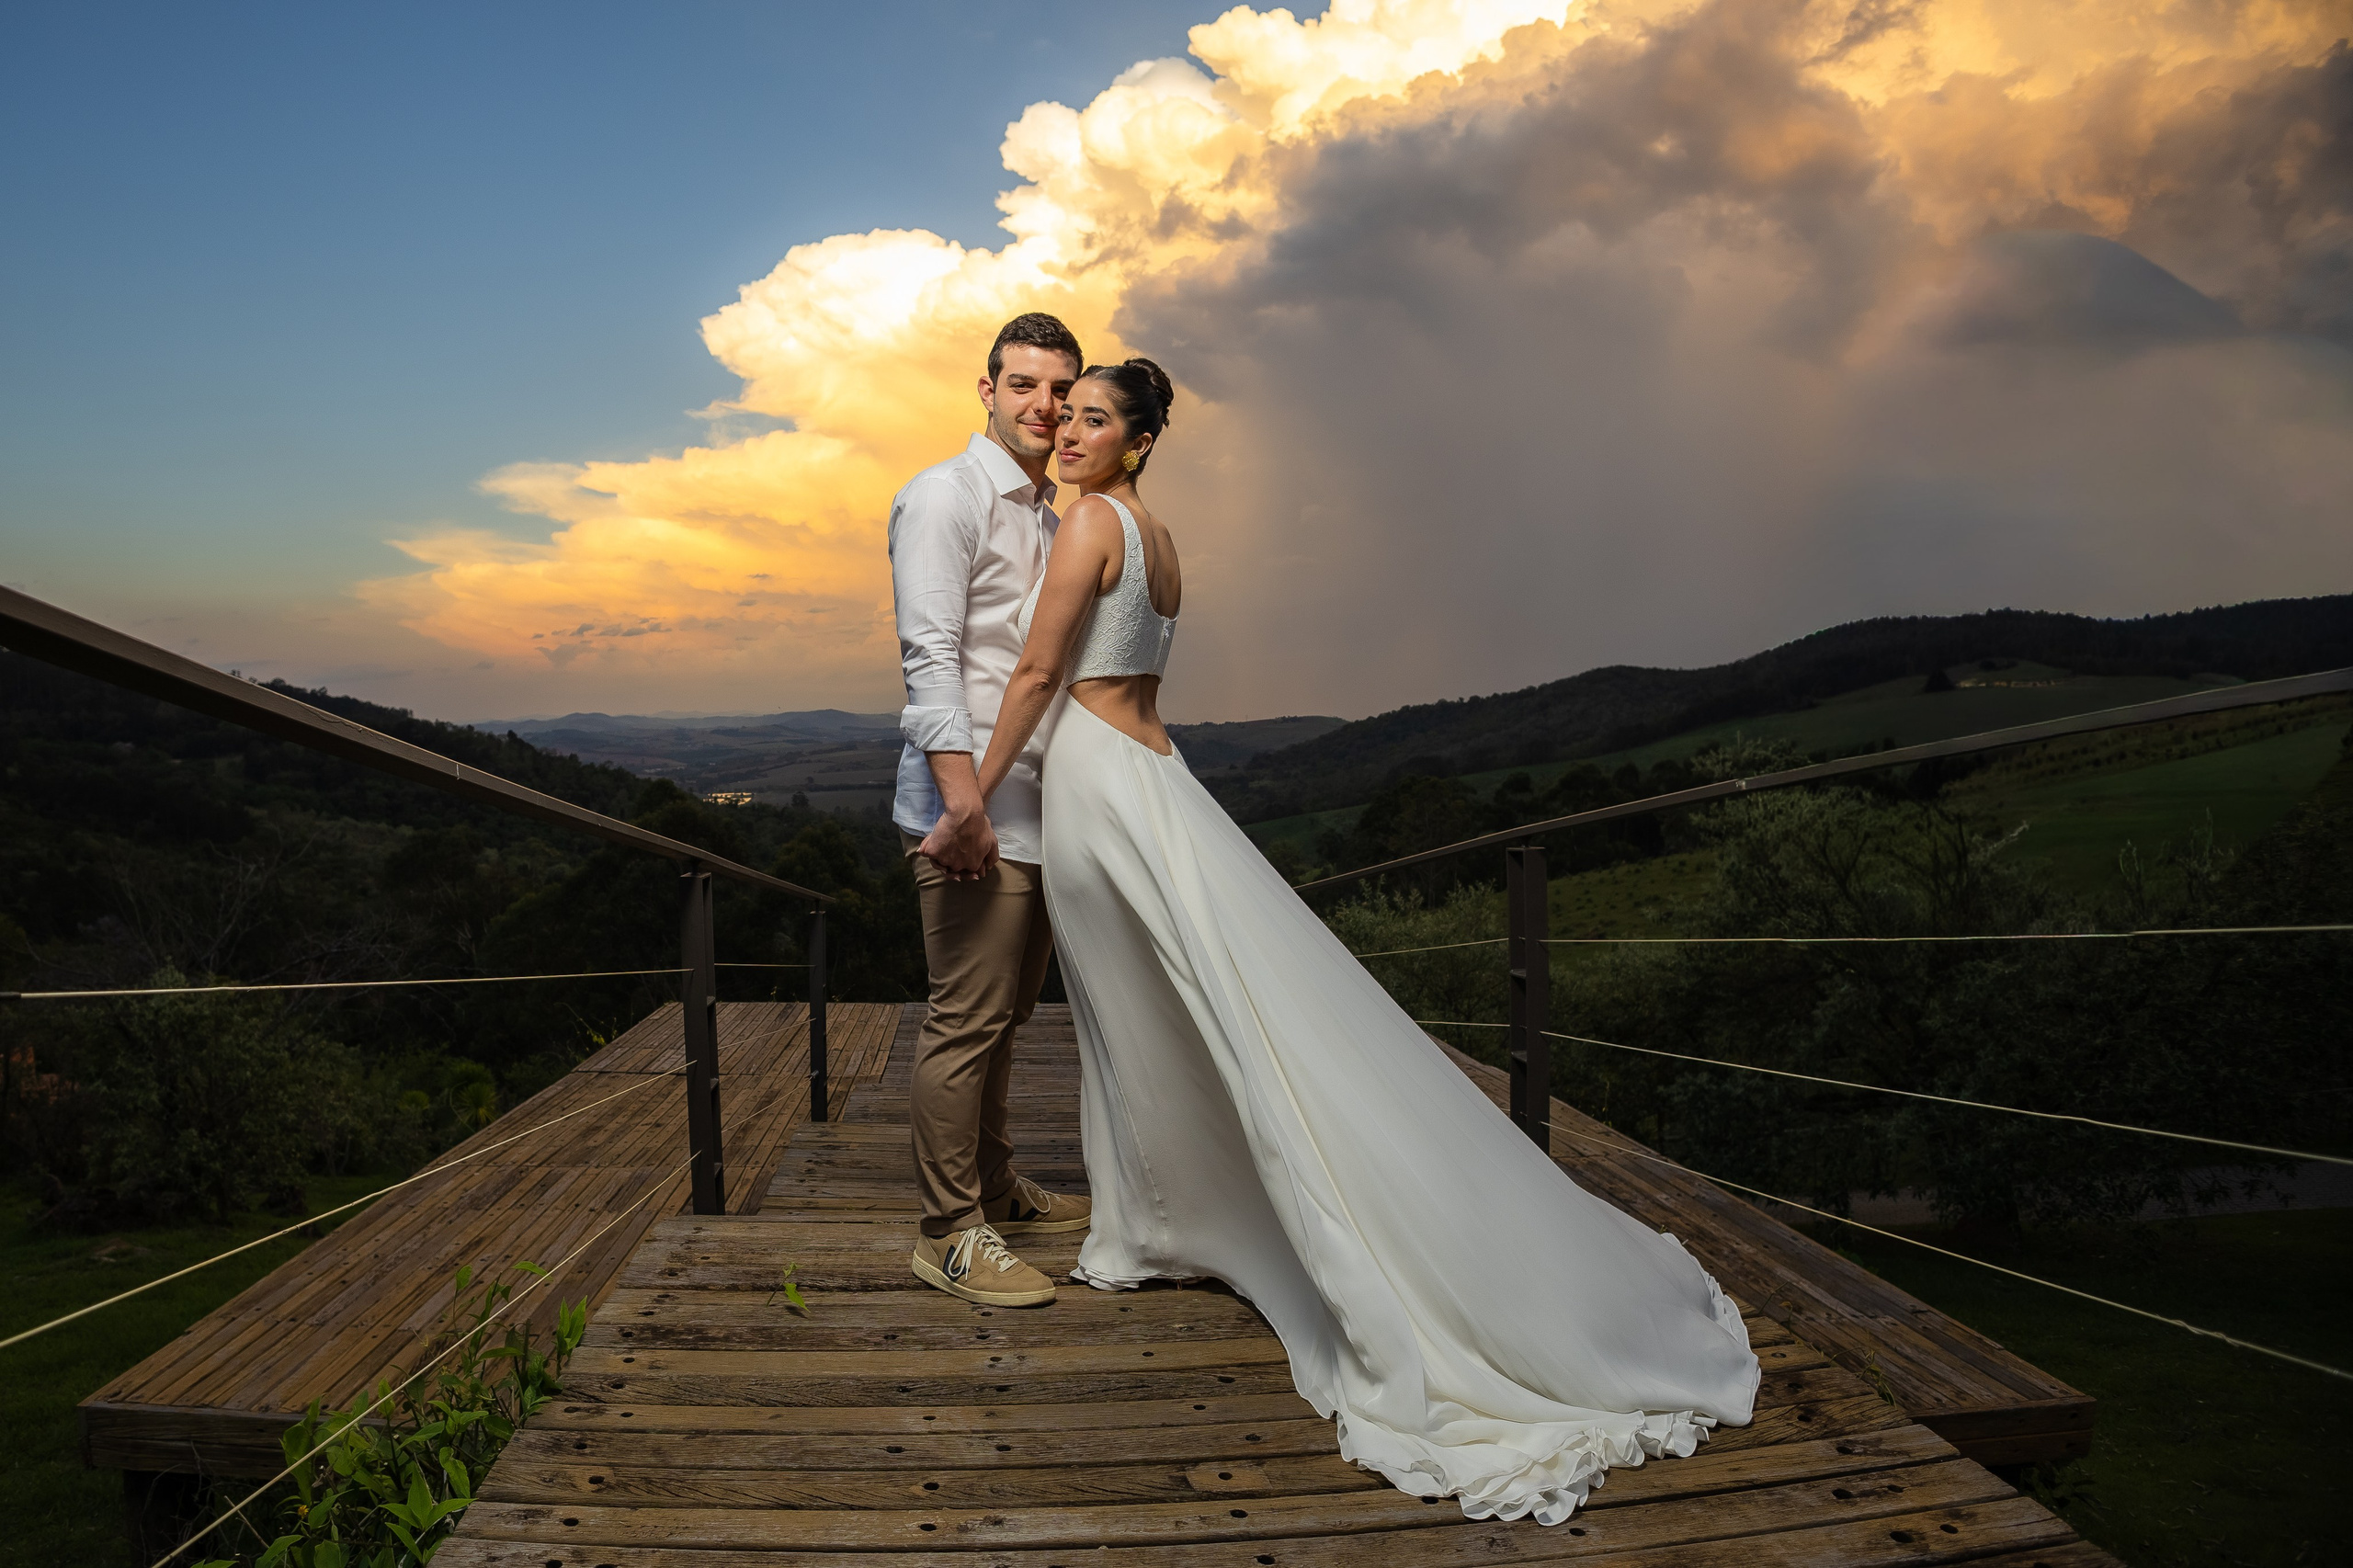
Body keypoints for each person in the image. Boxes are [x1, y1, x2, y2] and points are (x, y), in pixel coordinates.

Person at [969, 356, 1762, 1525]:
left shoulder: (1088, 520)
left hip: (1095, 779)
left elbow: (1041, 668)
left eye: (1094, 419)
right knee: (1173, 1005)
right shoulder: (1160, 538)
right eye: (1066, 416)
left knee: (1138, 1009)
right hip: (1148, 770)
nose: (1070, 432)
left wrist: (974, 794)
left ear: (1136, 441)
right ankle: (1155, 1219)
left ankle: (1159, 1224)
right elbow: (1140, 684)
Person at [888, 312, 1094, 1309]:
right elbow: (929, 658)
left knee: (1008, 1017)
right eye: (1023, 385)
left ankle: (997, 1186)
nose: (1043, 407)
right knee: (965, 1021)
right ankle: (948, 1234)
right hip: (969, 813)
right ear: (987, 390)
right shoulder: (946, 495)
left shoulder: (1049, 517)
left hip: (1042, 809)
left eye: (1060, 390)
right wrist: (962, 802)